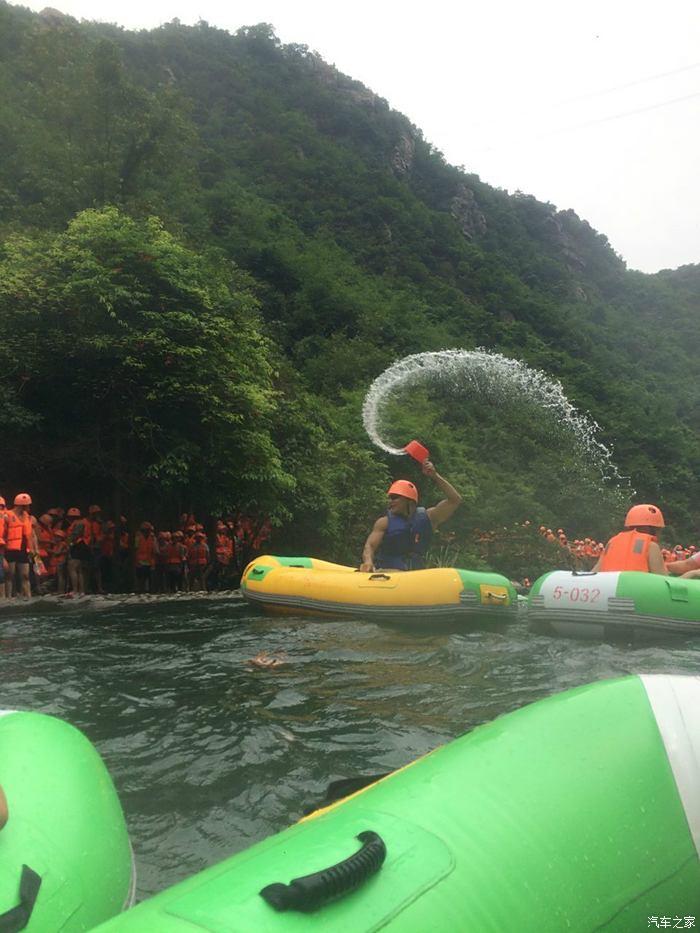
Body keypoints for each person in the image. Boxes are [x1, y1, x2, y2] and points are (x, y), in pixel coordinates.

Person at [360, 460, 463, 572]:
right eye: (390, 498)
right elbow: (370, 545)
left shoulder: (430, 517)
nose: (391, 501)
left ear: (409, 501)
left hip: (415, 577)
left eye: (395, 498)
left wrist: (435, 476)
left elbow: (455, 500)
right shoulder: (384, 522)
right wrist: (368, 561)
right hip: (388, 573)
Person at [592, 504, 667, 575]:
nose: (659, 533)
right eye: (658, 529)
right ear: (648, 528)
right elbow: (663, 581)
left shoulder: (611, 542)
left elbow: (595, 572)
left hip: (610, 587)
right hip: (636, 588)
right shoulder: (651, 546)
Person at [5, 493, 37, 597]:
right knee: (10, 575)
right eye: (28, 505)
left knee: (25, 575)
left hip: (23, 550)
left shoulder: (28, 517)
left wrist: (33, 549)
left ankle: (28, 596)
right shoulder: (7, 515)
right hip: (10, 549)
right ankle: (8, 597)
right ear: (22, 505)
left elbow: (31, 534)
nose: (29, 507)